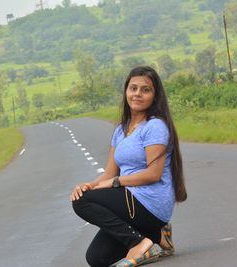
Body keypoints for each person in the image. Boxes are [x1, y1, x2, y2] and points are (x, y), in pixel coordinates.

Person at [71, 65, 187, 267]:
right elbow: (109, 172)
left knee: (82, 202)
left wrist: (115, 183)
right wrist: (88, 186)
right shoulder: (121, 131)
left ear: (155, 95)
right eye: (133, 88)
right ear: (126, 91)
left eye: (145, 90)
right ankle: (157, 234)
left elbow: (153, 174)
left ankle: (140, 243)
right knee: (97, 259)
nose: (138, 94)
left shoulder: (155, 126)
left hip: (150, 201)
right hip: (132, 203)